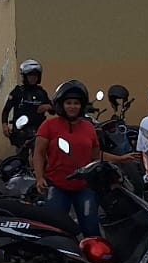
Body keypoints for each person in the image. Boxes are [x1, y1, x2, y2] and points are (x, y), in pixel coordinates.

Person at [34, 82, 102, 236]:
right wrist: (39, 177)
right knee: (54, 230)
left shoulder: (89, 127)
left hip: (83, 187)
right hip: (57, 186)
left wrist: (121, 159)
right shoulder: (49, 125)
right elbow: (38, 153)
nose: (72, 107)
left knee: (91, 231)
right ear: (61, 105)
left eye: (76, 103)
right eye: (68, 103)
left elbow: (96, 156)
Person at [2, 59, 52, 146]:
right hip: (21, 131)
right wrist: (5, 125)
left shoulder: (41, 93)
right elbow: (6, 109)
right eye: (30, 76)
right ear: (25, 76)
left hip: (38, 131)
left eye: (35, 76)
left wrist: (48, 106)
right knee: (21, 156)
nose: (33, 78)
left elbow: (53, 110)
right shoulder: (18, 91)